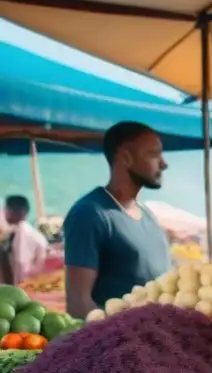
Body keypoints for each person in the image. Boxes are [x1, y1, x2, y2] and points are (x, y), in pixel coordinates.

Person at [63, 122, 172, 319]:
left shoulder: (148, 216)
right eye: (153, 154)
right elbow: (78, 303)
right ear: (125, 157)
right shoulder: (90, 214)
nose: (163, 163)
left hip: (159, 340)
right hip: (119, 345)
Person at [1, 196, 48, 286]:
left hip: (22, 283)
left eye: (6, 210)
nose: (4, 213)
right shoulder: (19, 231)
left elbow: (21, 265)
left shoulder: (25, 234)